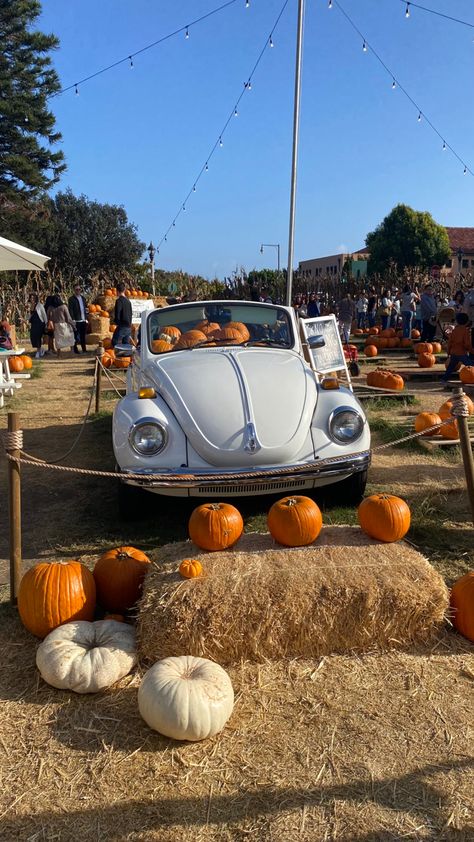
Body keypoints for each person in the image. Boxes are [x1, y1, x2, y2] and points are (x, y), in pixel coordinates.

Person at [442, 313, 473, 381]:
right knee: (470, 365)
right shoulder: (465, 331)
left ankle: (444, 379)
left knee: (450, 367)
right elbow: (467, 344)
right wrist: (471, 350)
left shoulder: (455, 330)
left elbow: (450, 342)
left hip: (453, 353)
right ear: (467, 322)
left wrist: (448, 351)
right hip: (461, 353)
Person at [68, 284, 88, 354]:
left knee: (83, 335)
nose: (78, 291)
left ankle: (84, 349)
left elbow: (86, 308)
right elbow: (70, 310)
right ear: (74, 290)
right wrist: (73, 320)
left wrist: (86, 318)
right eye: (76, 289)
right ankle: (76, 350)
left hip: (83, 320)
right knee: (76, 336)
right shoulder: (71, 299)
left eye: (79, 289)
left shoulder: (83, 298)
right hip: (76, 320)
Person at [112, 282, 133, 346]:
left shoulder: (119, 301)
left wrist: (116, 322)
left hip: (122, 326)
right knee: (126, 345)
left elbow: (117, 314)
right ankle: (125, 356)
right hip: (129, 326)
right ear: (124, 290)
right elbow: (130, 313)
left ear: (117, 291)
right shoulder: (128, 301)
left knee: (115, 343)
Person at [29, 293, 47, 358]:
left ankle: (38, 351)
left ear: (36, 298)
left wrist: (46, 323)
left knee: (37, 337)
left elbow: (44, 315)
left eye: (33, 298)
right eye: (31, 298)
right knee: (32, 336)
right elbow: (30, 315)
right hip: (33, 323)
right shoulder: (30, 306)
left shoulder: (40, 305)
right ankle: (40, 349)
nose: (32, 299)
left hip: (39, 323)